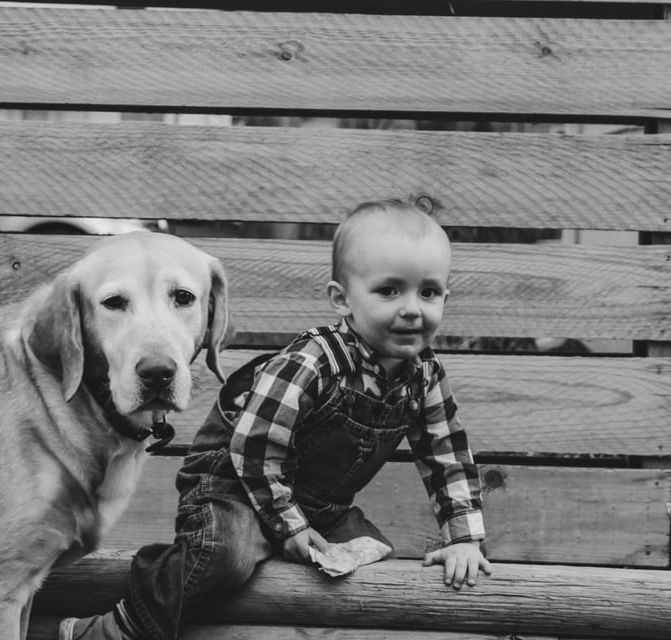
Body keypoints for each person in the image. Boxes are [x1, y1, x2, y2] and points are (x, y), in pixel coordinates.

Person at [62, 199, 491, 640]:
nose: (412, 308)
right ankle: (115, 628)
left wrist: (463, 538)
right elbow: (254, 448)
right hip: (231, 487)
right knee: (226, 558)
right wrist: (289, 526)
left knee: (376, 555)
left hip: (314, 504)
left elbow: (447, 458)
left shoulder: (424, 375)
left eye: (428, 293)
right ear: (342, 300)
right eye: (389, 291)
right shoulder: (311, 363)